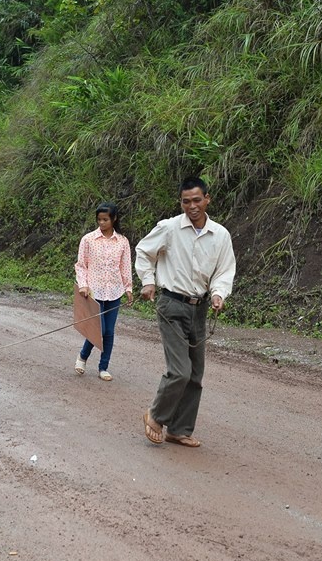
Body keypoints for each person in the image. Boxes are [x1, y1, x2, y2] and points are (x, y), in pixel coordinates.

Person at [136, 177, 236, 448]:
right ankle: (156, 415)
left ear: (207, 199)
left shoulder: (221, 235)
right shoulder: (169, 228)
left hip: (200, 307)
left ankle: (179, 429)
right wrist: (147, 281)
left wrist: (218, 294)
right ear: (180, 202)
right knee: (180, 370)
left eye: (196, 200)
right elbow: (144, 252)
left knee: (195, 374)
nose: (192, 206)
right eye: (186, 201)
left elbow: (224, 270)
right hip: (171, 304)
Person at [74, 202, 134, 381]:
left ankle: (103, 367)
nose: (102, 223)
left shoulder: (122, 241)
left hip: (114, 291)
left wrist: (128, 288)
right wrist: (83, 285)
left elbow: (125, 267)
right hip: (94, 292)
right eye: (99, 219)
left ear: (114, 219)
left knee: (109, 331)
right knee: (99, 329)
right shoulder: (88, 240)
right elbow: (81, 265)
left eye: (105, 219)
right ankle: (83, 356)